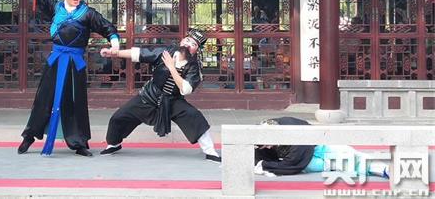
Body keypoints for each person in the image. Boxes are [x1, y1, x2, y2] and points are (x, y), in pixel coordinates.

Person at [18, 0, 120, 157]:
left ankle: (79, 142)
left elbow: (107, 27)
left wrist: (114, 42)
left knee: (75, 101)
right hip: (56, 60)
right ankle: (30, 135)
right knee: (44, 98)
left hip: (75, 63)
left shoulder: (88, 13)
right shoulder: (56, 8)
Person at [99, 29, 222, 162]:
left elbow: (186, 89)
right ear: (182, 40)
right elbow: (140, 53)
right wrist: (115, 52)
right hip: (149, 95)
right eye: (187, 40)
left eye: (193, 44)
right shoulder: (167, 52)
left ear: (196, 50)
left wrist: (172, 68)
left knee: (194, 116)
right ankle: (114, 144)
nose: (188, 45)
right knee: (118, 118)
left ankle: (210, 151)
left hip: (172, 100)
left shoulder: (194, 67)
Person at [254, 117, 390, 178]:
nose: (268, 147)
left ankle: (381, 169)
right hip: (309, 162)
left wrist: (266, 165)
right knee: (344, 161)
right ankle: (382, 169)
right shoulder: (263, 137)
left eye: (267, 143)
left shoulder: (291, 126)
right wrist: (265, 164)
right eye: (264, 146)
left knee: (346, 153)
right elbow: (261, 159)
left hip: (315, 149)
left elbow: (294, 159)